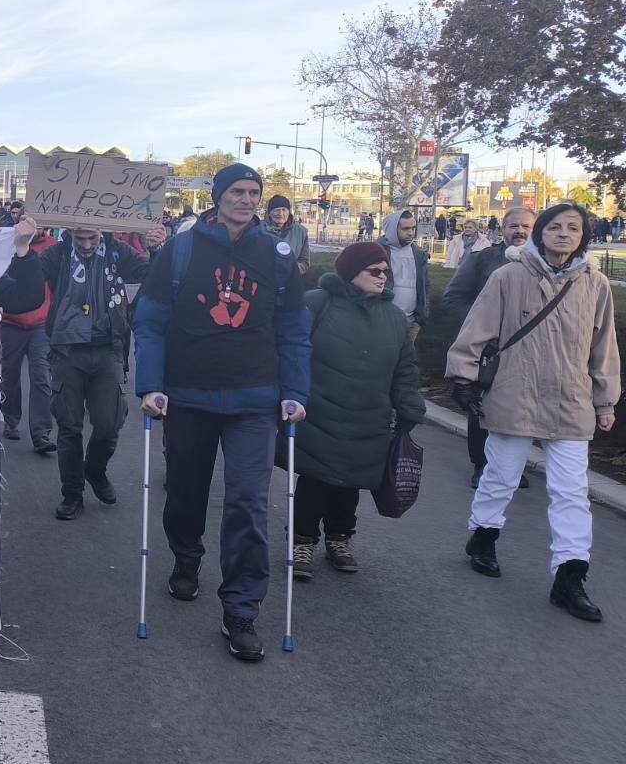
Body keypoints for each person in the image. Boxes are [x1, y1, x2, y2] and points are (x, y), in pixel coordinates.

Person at [133, 163, 311, 662]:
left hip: (255, 401)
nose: (247, 199)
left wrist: (297, 390)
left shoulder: (276, 255)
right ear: (217, 196)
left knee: (249, 503)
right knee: (186, 492)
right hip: (189, 395)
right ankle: (186, 557)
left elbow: (295, 328)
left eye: (254, 192)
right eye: (237, 190)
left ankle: (241, 609)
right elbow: (149, 321)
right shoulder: (182, 249)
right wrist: (149, 383)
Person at [449, 202, 621, 620]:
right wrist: (462, 377)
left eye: (573, 228)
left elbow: (604, 348)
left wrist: (605, 399)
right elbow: (477, 329)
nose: (564, 234)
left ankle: (570, 575)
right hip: (515, 392)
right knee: (501, 475)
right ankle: (483, 536)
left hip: (570, 399)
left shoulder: (595, 285)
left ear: (584, 235)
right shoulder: (508, 277)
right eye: (555, 227)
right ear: (540, 232)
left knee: (571, 492)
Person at [290, 241, 426, 580]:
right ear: (352, 273)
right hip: (318, 411)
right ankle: (302, 540)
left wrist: (409, 404)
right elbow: (291, 351)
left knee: (350, 483)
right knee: (315, 480)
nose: (383, 277)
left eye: (386, 272)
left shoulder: (394, 318)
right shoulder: (316, 304)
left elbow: (405, 367)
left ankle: (340, 538)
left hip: (369, 415)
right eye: (374, 271)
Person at [40, 223, 150, 517]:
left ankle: (95, 469)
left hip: (107, 348)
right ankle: (72, 493)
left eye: (92, 237)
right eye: (80, 238)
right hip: (67, 350)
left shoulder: (117, 251)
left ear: (102, 232)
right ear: (70, 234)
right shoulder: (59, 254)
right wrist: (24, 244)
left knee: (109, 422)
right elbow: (29, 275)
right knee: (69, 425)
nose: (87, 244)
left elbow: (149, 272)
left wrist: (155, 246)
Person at [0, 223, 58, 455]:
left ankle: (41, 432)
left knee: (41, 376)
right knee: (9, 375)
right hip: (10, 322)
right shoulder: (6, 246)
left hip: (41, 325)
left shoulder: (54, 248)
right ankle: (11, 419)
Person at [380, 209, 429, 340]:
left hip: (412, 322)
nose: (411, 233)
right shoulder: (377, 251)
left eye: (413, 228)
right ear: (392, 229)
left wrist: (420, 318)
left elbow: (425, 286)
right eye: (405, 228)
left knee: (406, 360)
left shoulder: (419, 254)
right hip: (382, 321)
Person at [262, 194, 310, 277]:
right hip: (262, 282)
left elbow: (304, 261)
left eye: (284, 210)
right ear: (269, 213)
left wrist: (291, 269)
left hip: (290, 282)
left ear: (289, 212)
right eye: (276, 210)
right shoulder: (257, 229)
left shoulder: (301, 231)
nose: (280, 214)